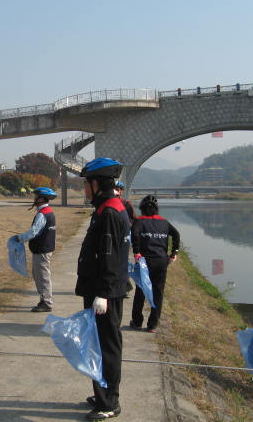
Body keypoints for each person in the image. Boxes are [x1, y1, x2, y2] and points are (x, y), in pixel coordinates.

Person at [75, 157, 130, 420]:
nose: (84, 188)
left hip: (104, 292)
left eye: (86, 183)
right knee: (98, 344)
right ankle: (102, 394)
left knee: (105, 346)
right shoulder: (108, 207)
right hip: (102, 288)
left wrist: (103, 294)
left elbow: (110, 257)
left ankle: (108, 402)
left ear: (96, 183)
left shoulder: (108, 212)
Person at [129, 195, 180, 333]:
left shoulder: (139, 222)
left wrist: (137, 252)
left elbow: (134, 236)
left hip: (144, 262)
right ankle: (152, 325)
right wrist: (173, 253)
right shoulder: (164, 222)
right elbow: (176, 235)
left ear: (142, 209)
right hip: (161, 262)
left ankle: (137, 322)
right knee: (158, 292)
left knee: (140, 291)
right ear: (157, 209)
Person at [15, 187, 57, 312]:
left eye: (36, 196)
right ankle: (44, 299)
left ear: (41, 199)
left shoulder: (43, 214)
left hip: (42, 250)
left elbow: (34, 232)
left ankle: (46, 303)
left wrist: (20, 238)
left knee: (42, 276)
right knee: (38, 274)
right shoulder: (48, 211)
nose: (34, 199)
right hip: (43, 248)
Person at [115, 181, 135, 296]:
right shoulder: (109, 203)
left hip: (124, 237)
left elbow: (134, 219)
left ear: (121, 191)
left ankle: (125, 287)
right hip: (113, 236)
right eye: (115, 188)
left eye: (119, 189)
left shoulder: (126, 203)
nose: (117, 190)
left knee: (123, 261)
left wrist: (128, 225)